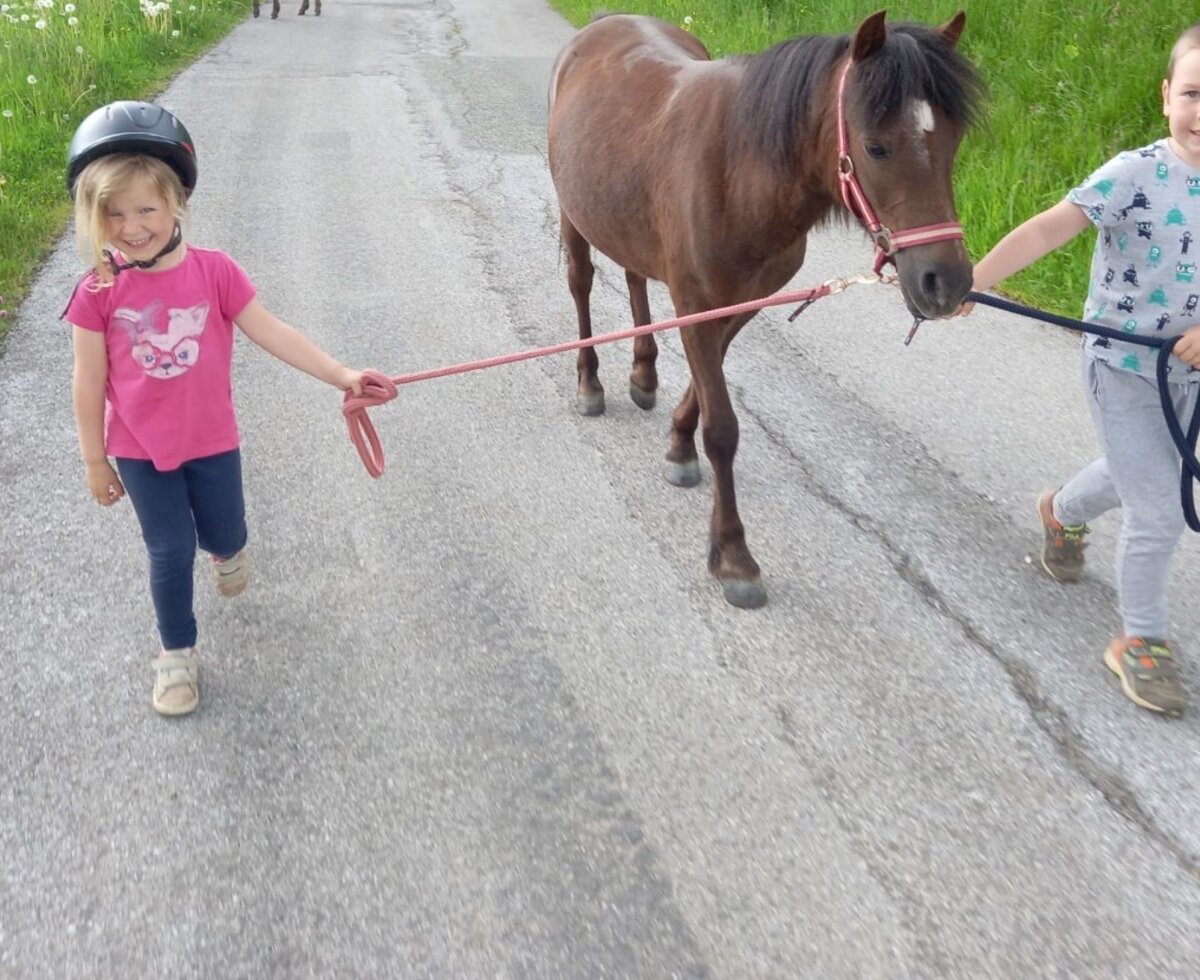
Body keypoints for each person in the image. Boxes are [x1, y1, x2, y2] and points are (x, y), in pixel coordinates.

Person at [63, 100, 366, 717]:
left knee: (223, 534)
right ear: (94, 218)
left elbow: (272, 330)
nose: (130, 225)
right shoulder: (97, 291)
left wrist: (343, 374)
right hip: (139, 449)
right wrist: (94, 459)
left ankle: (228, 550)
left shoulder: (215, 272)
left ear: (176, 203)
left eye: (145, 208)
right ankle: (176, 654)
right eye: (113, 213)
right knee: (169, 550)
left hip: (211, 440)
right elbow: (88, 381)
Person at [961, 23, 1200, 717]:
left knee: (1136, 473)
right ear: (1165, 96)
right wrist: (975, 280)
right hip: (1122, 366)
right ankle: (1141, 640)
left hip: (1189, 377)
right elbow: (1051, 226)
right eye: (1193, 93)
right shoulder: (1135, 174)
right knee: (1159, 507)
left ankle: (1059, 511)